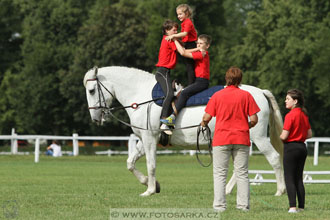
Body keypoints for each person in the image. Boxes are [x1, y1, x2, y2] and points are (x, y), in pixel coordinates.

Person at [200, 67, 260, 212]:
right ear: (240, 80)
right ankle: (243, 206)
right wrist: (246, 126)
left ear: (226, 78)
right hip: (241, 138)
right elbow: (254, 119)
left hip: (222, 138)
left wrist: (203, 123)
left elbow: (206, 117)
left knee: (220, 173)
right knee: (242, 173)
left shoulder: (217, 95)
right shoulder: (246, 95)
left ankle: (219, 206)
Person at [161, 34, 212, 126]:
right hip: (198, 81)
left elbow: (183, 53)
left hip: (202, 82)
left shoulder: (202, 54)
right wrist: (178, 40)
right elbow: (185, 51)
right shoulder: (199, 52)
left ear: (207, 46)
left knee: (184, 93)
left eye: (201, 43)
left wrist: (174, 39)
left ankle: (172, 118)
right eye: (197, 43)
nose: (198, 45)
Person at [279, 89, 312, 213]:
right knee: (298, 178)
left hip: (291, 148)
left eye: (288, 99)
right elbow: (309, 134)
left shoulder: (290, 115)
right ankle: (301, 207)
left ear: (295, 101)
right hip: (302, 148)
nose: (285, 101)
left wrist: (279, 137)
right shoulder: (304, 115)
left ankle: (292, 207)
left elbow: (284, 136)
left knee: (289, 178)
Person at [166, 4, 198, 85]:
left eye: (180, 14)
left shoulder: (188, 22)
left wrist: (173, 35)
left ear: (186, 14)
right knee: (188, 66)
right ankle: (191, 83)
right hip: (187, 44)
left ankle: (192, 84)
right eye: (177, 14)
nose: (178, 16)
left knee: (190, 66)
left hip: (191, 45)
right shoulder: (184, 22)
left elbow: (184, 33)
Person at [155, 20, 179, 128]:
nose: (176, 32)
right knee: (169, 94)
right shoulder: (168, 40)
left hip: (166, 72)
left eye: (176, 30)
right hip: (162, 72)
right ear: (167, 31)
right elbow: (182, 50)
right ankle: (163, 120)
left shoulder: (170, 39)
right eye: (174, 30)